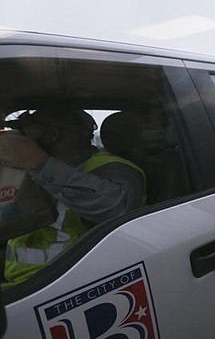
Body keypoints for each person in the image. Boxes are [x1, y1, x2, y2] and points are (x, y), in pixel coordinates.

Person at [0, 108, 145, 285]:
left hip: (73, 285)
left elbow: (116, 208)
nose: (19, 137)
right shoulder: (23, 171)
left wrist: (38, 163)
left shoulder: (113, 168)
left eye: (25, 131)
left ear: (52, 134)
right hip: (19, 285)